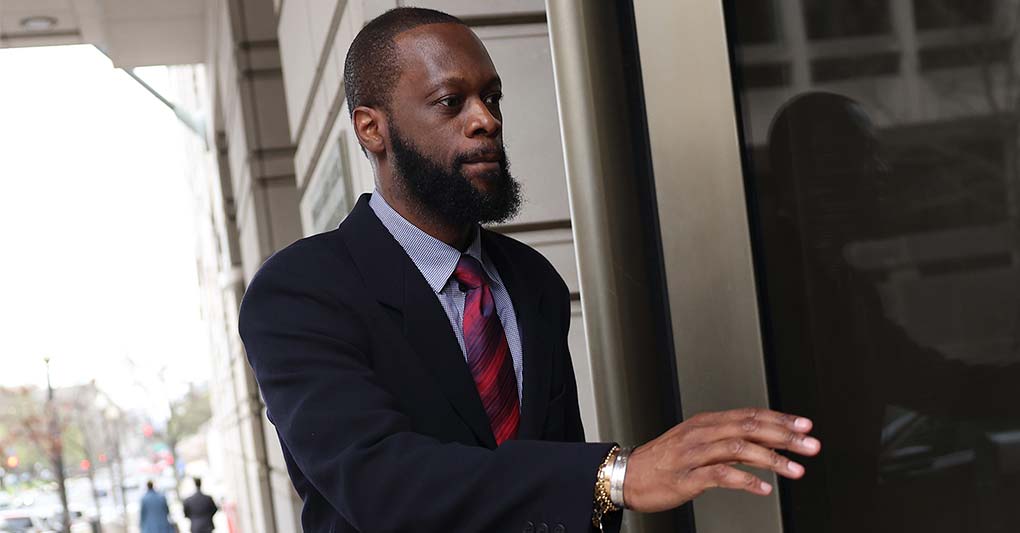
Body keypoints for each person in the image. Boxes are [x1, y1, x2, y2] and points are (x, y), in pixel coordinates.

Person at [238, 7, 821, 532]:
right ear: (373, 128)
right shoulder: (300, 293)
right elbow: (381, 484)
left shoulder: (529, 279)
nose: (485, 120)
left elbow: (553, 472)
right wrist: (616, 476)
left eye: (491, 97)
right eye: (451, 102)